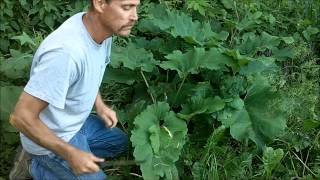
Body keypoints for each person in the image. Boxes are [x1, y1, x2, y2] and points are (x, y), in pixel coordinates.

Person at [9, 0, 140, 179]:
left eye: (135, 7)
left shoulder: (102, 32)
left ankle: (75, 150)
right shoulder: (64, 54)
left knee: (120, 143)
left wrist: (100, 106)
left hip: (76, 124)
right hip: (54, 136)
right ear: (100, 4)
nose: (135, 16)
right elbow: (20, 117)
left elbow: (91, 74)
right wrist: (71, 153)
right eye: (126, 7)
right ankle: (34, 164)